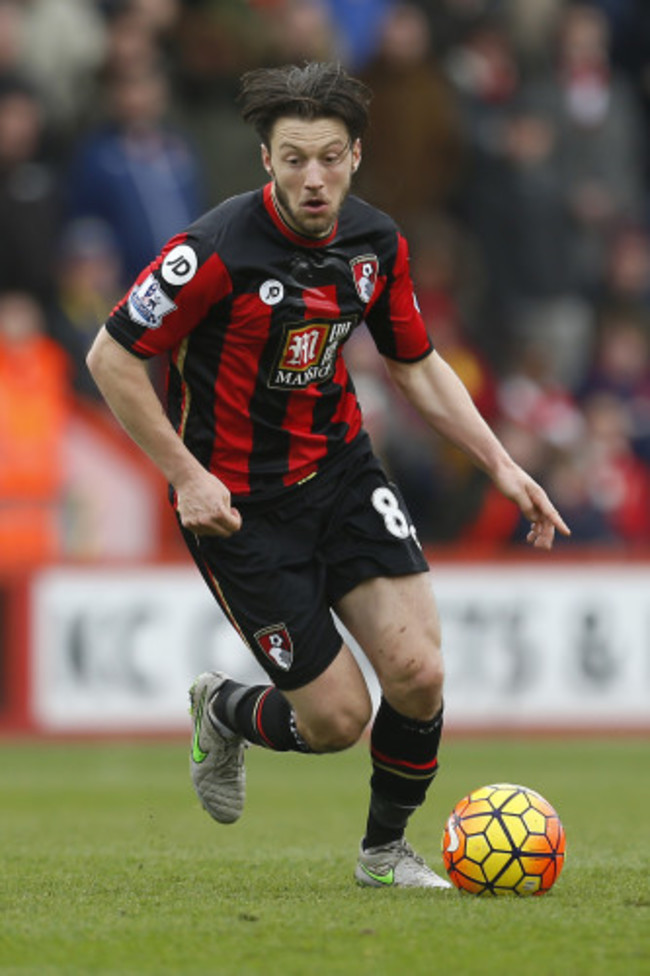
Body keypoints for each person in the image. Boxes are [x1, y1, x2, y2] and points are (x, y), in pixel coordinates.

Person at [86, 61, 570, 889]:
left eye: (331, 158)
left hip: (341, 471)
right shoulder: (211, 251)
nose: (315, 179)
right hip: (237, 508)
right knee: (339, 719)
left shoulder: (377, 243)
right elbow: (113, 357)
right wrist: (187, 474)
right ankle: (227, 709)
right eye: (295, 159)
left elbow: (415, 366)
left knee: (419, 673)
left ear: (355, 156)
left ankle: (383, 856)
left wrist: (501, 462)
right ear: (265, 161)